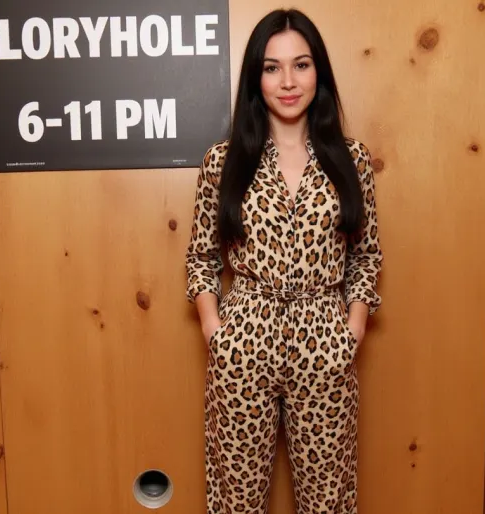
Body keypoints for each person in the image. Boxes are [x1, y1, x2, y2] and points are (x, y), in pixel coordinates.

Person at [185, 8, 382, 514]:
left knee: (327, 500)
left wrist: (351, 330)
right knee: (237, 499)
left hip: (325, 343)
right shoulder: (223, 161)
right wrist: (216, 331)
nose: (288, 82)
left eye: (301, 65)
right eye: (272, 68)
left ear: (319, 72)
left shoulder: (353, 160)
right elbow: (202, 256)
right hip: (244, 343)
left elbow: (365, 256)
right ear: (257, 77)